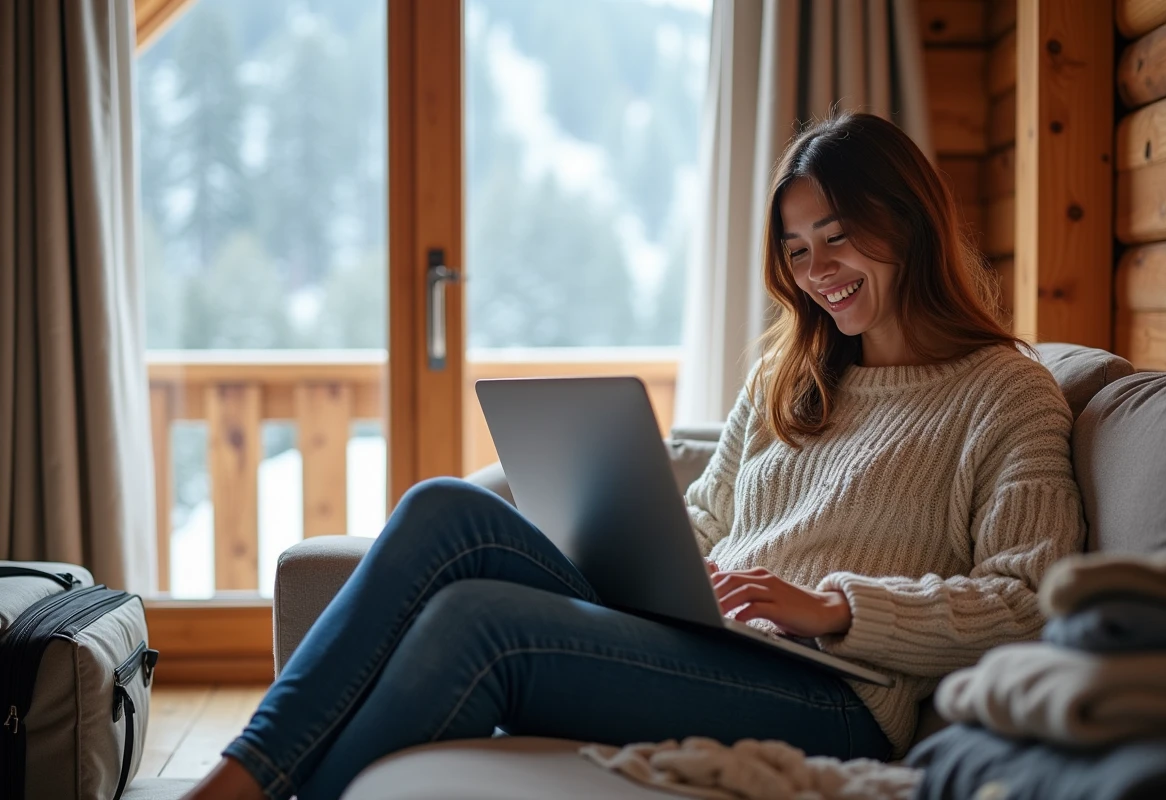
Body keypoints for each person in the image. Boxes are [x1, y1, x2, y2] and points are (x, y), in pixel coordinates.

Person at [182, 112, 1085, 800]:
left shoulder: (1005, 392)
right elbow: (710, 516)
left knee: (479, 622)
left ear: (909, 220)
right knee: (442, 508)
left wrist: (836, 607)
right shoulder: (794, 374)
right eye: (797, 249)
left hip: (833, 697)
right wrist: (656, 559)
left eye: (837, 238)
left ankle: (240, 789)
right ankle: (243, 779)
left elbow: (1028, 599)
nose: (817, 271)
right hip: (710, 637)